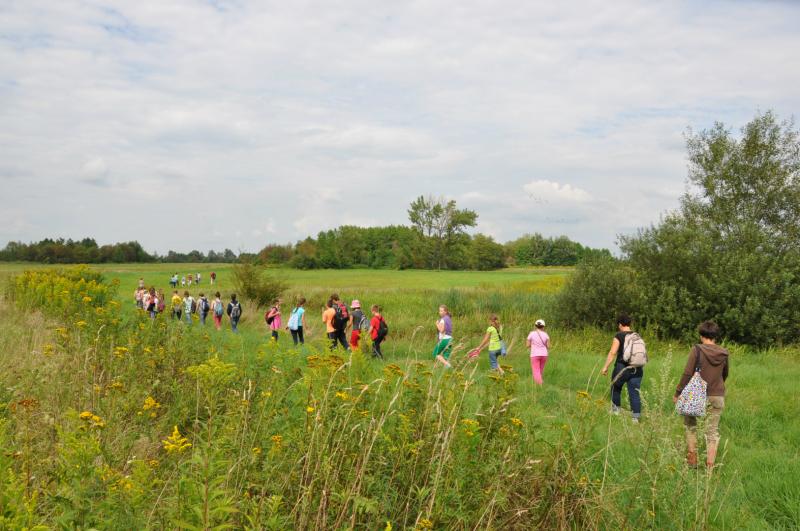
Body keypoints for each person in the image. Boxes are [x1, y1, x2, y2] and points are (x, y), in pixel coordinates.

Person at [673, 321, 730, 470]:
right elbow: (725, 374)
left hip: (696, 394)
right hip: (717, 395)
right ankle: (710, 467)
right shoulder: (724, 353)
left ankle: (692, 460)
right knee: (712, 431)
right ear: (715, 336)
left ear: (701, 335)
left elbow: (687, 373)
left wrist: (678, 393)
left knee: (690, 424)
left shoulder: (697, 350)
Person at [601, 314, 643, 422]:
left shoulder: (619, 335)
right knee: (634, 392)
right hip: (637, 368)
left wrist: (605, 367)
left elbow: (612, 352)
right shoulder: (637, 335)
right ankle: (636, 418)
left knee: (615, 387)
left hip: (622, 367)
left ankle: (615, 411)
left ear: (620, 324)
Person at [526, 319, 550, 385]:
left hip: (535, 354)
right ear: (543, 326)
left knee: (536, 370)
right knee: (540, 370)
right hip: (544, 354)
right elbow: (548, 346)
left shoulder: (531, 334)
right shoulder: (546, 335)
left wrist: (533, 344)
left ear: (535, 326)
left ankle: (540, 385)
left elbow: (527, 345)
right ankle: (538, 383)